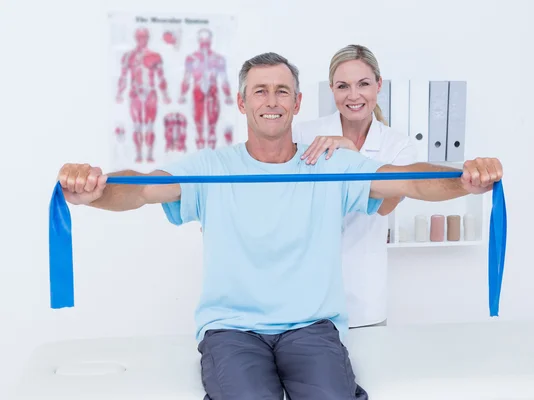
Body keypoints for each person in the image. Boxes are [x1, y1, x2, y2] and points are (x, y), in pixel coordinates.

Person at [57, 52, 503, 399]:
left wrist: (465, 179)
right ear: (242, 101)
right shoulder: (211, 167)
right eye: (260, 91)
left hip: (311, 327)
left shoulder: (332, 165)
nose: (271, 101)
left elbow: (411, 181)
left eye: (282, 91)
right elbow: (141, 189)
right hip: (232, 329)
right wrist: (96, 190)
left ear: (298, 101)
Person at [293, 44, 417, 328]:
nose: (353, 95)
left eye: (363, 84)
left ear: (378, 85)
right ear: (332, 90)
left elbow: (385, 206)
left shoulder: (398, 145)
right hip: (307, 295)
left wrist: (351, 155)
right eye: (342, 86)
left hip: (365, 297)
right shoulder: (303, 134)